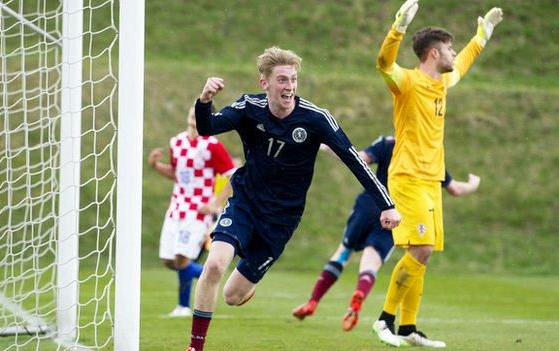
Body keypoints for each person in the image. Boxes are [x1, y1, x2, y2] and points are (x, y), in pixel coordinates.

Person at [184, 46, 402, 351]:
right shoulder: (249, 107)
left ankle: (247, 284)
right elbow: (207, 128)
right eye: (283, 80)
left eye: (293, 80)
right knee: (215, 265)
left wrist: (387, 204)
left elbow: (353, 158)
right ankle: (195, 347)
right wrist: (205, 100)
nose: (289, 87)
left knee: (232, 296)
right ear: (265, 83)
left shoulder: (315, 118)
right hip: (246, 202)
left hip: (282, 218)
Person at [372, 0, 502, 347]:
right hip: (407, 178)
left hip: (431, 181)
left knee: (422, 255)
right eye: (448, 47)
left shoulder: (441, 83)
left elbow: (463, 63)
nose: (453, 53)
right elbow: (384, 64)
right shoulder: (407, 82)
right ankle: (384, 320)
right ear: (432, 54)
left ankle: (408, 328)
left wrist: (482, 37)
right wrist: (398, 26)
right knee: (422, 248)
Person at [292, 136, 481, 333]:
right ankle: (358, 295)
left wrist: (327, 145)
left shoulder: (389, 143)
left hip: (369, 204)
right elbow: (456, 189)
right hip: (395, 214)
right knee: (370, 265)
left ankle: (313, 301)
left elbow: (359, 158)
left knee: (343, 253)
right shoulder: (429, 155)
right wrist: (473, 184)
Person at [148, 104, 237, 317]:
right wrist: (156, 166)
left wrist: (215, 204)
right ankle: (208, 279)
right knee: (170, 261)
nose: (194, 116)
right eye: (192, 112)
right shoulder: (176, 142)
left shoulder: (212, 145)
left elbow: (234, 176)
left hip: (198, 212)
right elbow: (178, 174)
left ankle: (187, 304)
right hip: (176, 207)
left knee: (182, 258)